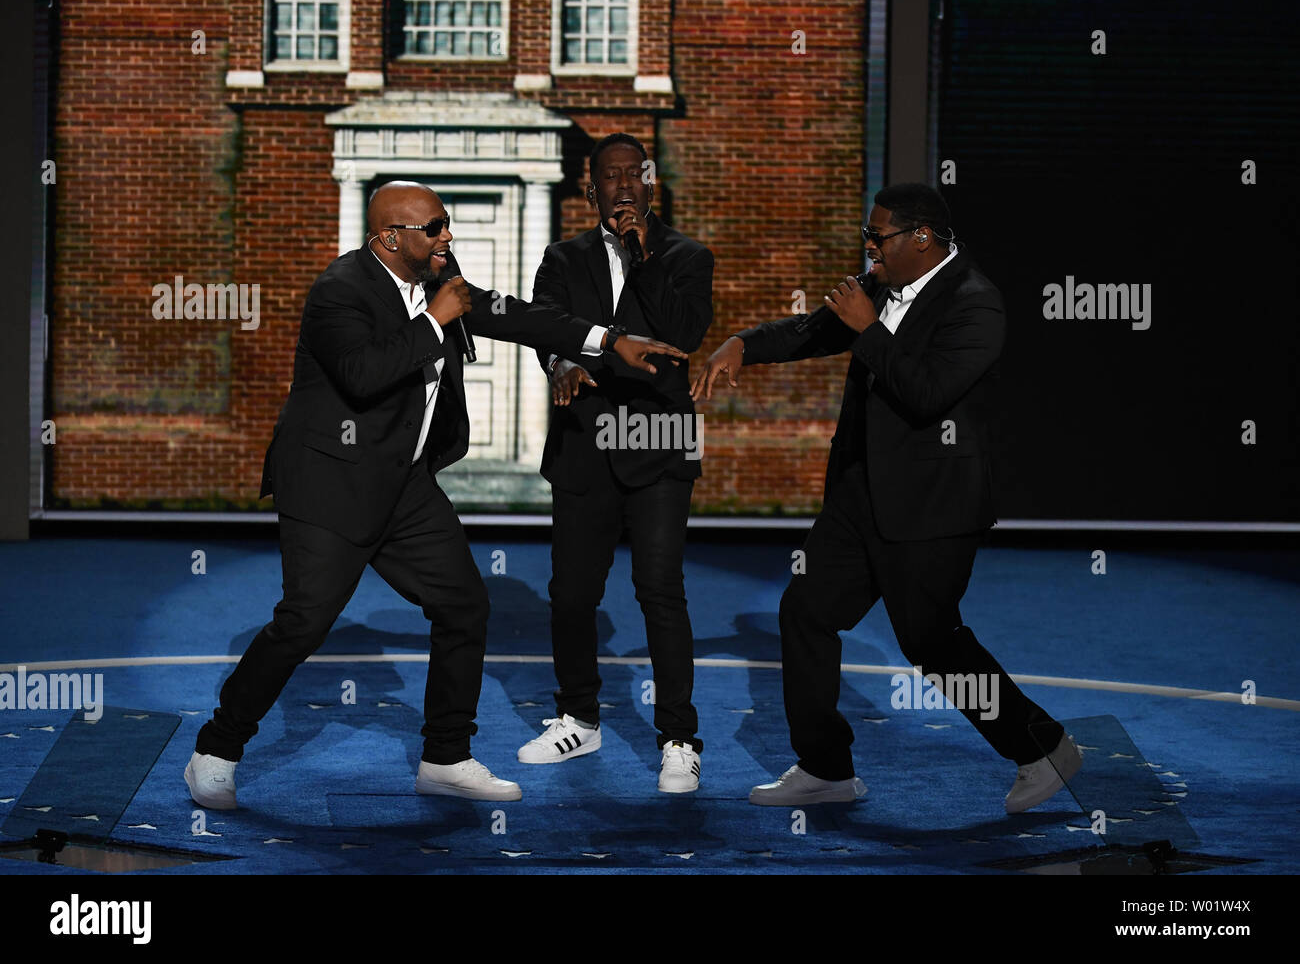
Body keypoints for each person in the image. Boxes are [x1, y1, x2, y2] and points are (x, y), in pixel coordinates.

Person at [185, 181, 686, 809]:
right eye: (433, 227)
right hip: (331, 486)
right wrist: (433, 321)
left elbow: (520, 316)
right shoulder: (340, 290)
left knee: (463, 605)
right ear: (390, 237)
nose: (446, 235)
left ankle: (446, 756)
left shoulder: (439, 283)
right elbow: (362, 374)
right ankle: (217, 747)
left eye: (446, 223)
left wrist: (609, 341)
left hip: (406, 486)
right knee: (302, 623)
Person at [691, 183, 1081, 813]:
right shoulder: (878, 286)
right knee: (806, 612)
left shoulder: (976, 305)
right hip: (857, 497)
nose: (868, 249)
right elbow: (810, 332)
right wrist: (744, 343)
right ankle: (826, 768)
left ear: (922, 238)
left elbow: (927, 394)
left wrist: (868, 330)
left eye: (879, 238)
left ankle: (1043, 747)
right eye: (866, 237)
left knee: (931, 641)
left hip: (933, 505)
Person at [515, 133, 714, 792]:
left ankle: (679, 738)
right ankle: (579, 716)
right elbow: (545, 326)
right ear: (588, 185)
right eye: (611, 174)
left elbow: (682, 336)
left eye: (636, 172)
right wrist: (562, 362)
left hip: (658, 446)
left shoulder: (687, 256)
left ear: (650, 182)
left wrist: (642, 256)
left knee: (661, 589)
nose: (625, 184)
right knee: (572, 593)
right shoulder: (561, 257)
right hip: (585, 445)